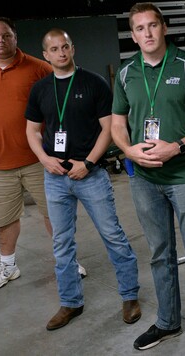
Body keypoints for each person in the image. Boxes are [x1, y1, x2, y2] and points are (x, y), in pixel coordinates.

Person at [111, 3, 185, 355]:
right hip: (144, 179)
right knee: (160, 254)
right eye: (139, 28)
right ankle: (168, 321)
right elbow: (117, 122)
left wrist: (175, 147)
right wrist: (128, 151)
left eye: (152, 26)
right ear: (133, 34)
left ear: (164, 28)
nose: (147, 33)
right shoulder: (126, 72)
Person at [0, 17, 86, 291]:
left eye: (7, 36)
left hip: (41, 160)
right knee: (4, 219)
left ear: (15, 37)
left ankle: (68, 260)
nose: (2, 41)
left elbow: (66, 92)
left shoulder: (38, 68)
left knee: (55, 213)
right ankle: (8, 266)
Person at [25, 29, 141, 331]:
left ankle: (129, 296)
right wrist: (44, 158)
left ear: (72, 49)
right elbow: (31, 131)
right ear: (46, 54)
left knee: (112, 235)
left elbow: (108, 129)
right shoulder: (40, 89)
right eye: (54, 49)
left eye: (65, 47)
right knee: (61, 243)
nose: (61, 53)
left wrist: (88, 163)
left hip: (90, 174)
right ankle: (70, 302)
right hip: (55, 176)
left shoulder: (94, 83)